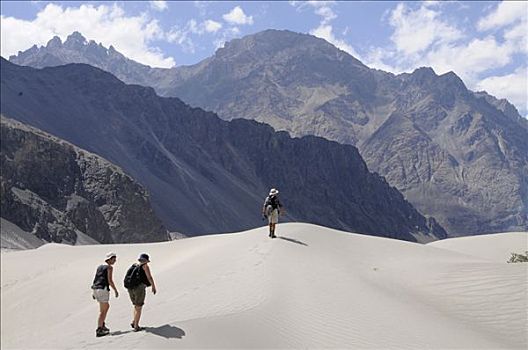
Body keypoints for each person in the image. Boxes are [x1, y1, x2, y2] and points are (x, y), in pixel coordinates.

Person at [126, 253, 157, 332]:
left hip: (130, 288)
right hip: (139, 288)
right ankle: (136, 326)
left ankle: (134, 321)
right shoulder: (145, 266)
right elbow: (149, 277)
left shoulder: (134, 266)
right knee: (139, 307)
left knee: (136, 306)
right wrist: (153, 286)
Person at [91, 252, 119, 337]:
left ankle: (102, 325)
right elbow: (110, 280)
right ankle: (99, 329)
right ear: (109, 259)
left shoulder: (99, 267)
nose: (115, 261)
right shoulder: (109, 268)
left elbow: (96, 278)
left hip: (96, 288)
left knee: (102, 309)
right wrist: (115, 290)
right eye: (113, 259)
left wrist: (94, 291)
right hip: (103, 289)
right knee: (104, 310)